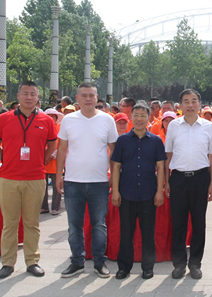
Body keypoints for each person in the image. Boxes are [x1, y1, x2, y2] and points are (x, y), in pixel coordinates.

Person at [0, 81, 58, 279]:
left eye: (33, 94)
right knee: (9, 223)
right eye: (25, 93)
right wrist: (6, 159)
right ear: (18, 96)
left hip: (35, 177)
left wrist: (42, 159)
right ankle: (7, 263)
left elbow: (52, 145)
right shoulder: (4, 119)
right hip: (9, 178)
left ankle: (32, 261)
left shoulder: (46, 121)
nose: (29, 97)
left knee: (32, 222)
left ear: (38, 97)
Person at [56, 82, 119, 279]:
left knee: (99, 224)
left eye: (91, 95)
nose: (88, 99)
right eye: (84, 95)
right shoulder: (69, 120)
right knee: (74, 225)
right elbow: (62, 149)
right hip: (73, 181)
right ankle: (77, 261)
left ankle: (100, 262)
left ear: (97, 97)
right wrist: (59, 175)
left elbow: (113, 151)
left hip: (99, 181)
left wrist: (113, 177)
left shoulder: (107, 120)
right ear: (77, 98)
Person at [165, 88, 212, 279]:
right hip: (178, 178)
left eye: (194, 100)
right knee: (178, 223)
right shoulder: (174, 126)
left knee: (198, 223)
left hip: (200, 178)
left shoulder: (208, 127)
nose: (190, 104)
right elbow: (168, 155)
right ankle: (179, 264)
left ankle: (195, 263)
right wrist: (166, 180)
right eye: (186, 101)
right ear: (180, 105)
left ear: (200, 104)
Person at [110, 102, 166, 280]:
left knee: (148, 233)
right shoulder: (122, 141)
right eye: (136, 115)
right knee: (126, 232)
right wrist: (115, 191)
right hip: (126, 193)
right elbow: (116, 166)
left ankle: (148, 267)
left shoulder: (156, 141)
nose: (139, 119)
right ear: (131, 118)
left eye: (143, 115)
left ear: (149, 118)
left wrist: (159, 191)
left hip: (148, 193)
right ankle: (124, 267)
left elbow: (160, 167)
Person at [42, 108, 63, 215]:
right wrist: (44, 157)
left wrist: (50, 156)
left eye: (53, 116)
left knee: (56, 184)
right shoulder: (41, 128)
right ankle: (43, 206)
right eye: (48, 116)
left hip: (56, 161)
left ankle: (55, 207)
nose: (50, 118)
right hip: (42, 162)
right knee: (42, 185)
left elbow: (61, 145)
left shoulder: (60, 128)